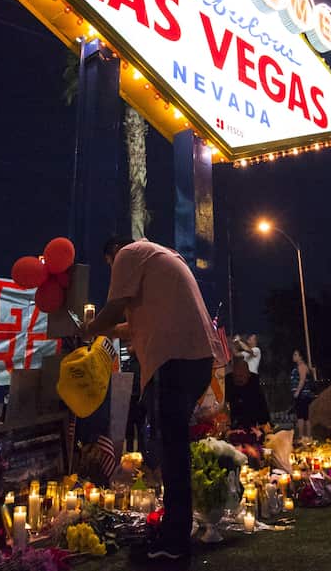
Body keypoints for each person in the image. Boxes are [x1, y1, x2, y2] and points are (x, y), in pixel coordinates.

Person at [83, 237, 216, 563]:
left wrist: (88, 328)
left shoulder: (128, 254)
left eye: (109, 266)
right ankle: (176, 530)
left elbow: (113, 310)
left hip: (171, 359)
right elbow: (128, 328)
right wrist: (103, 330)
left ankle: (174, 541)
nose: (113, 272)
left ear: (112, 254)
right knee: (173, 447)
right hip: (197, 357)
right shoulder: (159, 257)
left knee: (171, 451)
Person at [290, 349, 316, 441]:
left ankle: (303, 437)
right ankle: (307, 437)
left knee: (301, 416)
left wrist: (297, 392)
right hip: (303, 395)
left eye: (296, 354)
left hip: (302, 395)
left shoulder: (301, 366)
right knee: (305, 416)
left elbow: (302, 379)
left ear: (300, 357)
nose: (294, 356)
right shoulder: (301, 366)